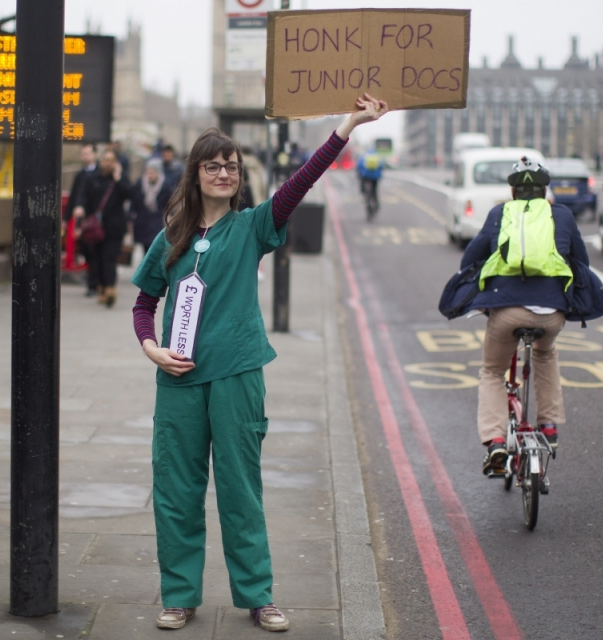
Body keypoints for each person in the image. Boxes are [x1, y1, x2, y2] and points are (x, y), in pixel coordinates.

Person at [131, 93, 387, 632]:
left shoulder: (252, 227)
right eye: (213, 165)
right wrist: (152, 348)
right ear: (195, 173)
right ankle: (179, 596)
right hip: (177, 383)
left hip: (237, 377)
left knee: (241, 490)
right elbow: (143, 304)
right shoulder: (171, 237)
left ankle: (258, 595)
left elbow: (301, 182)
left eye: (232, 166)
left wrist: (347, 126)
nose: (223, 173)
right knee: (176, 492)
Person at [457, 157, 591, 474]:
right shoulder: (563, 215)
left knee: (492, 371)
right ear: (545, 191)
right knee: (546, 354)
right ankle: (548, 426)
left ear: (513, 191)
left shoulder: (498, 214)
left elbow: (469, 258)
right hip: (551, 312)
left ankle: (496, 442)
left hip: (506, 311)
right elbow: (582, 262)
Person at [73, 148, 131, 308]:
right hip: (94, 228)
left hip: (114, 228)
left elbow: (130, 195)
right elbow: (82, 196)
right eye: (105, 160)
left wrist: (119, 178)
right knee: (97, 258)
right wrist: (80, 207)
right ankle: (102, 288)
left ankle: (110, 289)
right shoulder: (92, 178)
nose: (107, 163)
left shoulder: (120, 180)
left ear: (116, 163)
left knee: (109, 259)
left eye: (111, 160)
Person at [65, 143, 98, 296]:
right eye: (83, 154)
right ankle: (92, 282)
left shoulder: (100, 173)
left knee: (96, 250)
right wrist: (66, 218)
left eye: (88, 153)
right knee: (86, 250)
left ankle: (95, 284)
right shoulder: (80, 175)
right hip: (81, 220)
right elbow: (73, 197)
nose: (85, 156)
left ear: (94, 155)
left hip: (96, 220)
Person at [130, 157, 166, 263]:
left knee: (154, 245)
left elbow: (169, 203)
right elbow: (134, 201)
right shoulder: (140, 184)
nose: (150, 175)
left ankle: (151, 267)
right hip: (142, 220)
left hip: (156, 220)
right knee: (145, 247)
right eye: (148, 172)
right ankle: (146, 267)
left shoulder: (164, 185)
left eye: (153, 172)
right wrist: (131, 217)